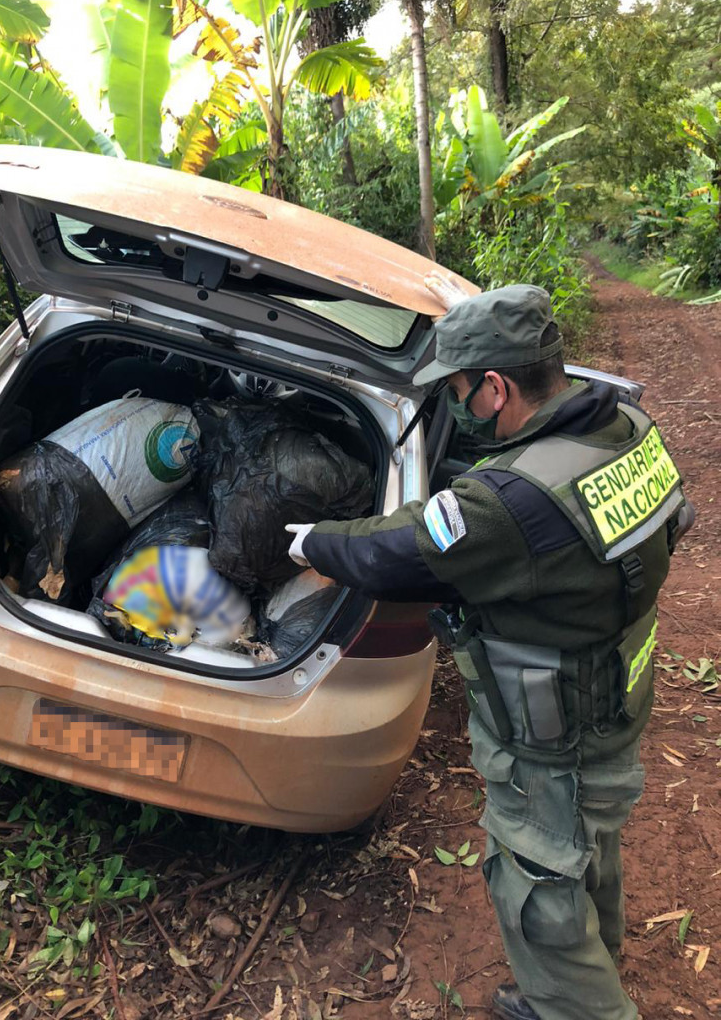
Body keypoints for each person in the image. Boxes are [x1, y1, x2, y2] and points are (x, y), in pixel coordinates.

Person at [285, 284, 692, 1020]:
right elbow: (674, 522)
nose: (460, 407)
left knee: (537, 882)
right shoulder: (628, 426)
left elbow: (401, 552)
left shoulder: (513, 499)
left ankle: (573, 1005)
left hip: (553, 732)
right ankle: (587, 972)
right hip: (616, 701)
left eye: (462, 392)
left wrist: (316, 541)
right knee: (587, 842)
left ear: (496, 386)